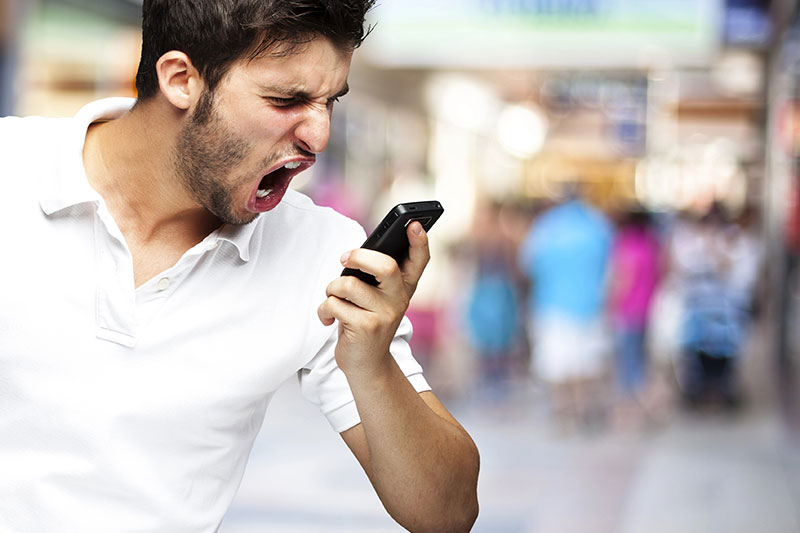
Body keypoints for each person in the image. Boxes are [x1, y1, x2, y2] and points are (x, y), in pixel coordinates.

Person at [0, 2, 479, 532]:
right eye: (286, 100)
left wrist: (369, 360)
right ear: (181, 78)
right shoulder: (11, 172)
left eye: (329, 102)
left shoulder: (323, 255)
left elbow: (448, 514)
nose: (318, 138)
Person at [518, 188, 613, 432]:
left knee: (558, 364)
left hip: (552, 306)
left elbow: (528, 264)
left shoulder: (547, 227)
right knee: (585, 363)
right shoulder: (598, 224)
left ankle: (564, 413)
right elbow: (613, 267)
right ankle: (582, 411)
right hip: (591, 306)